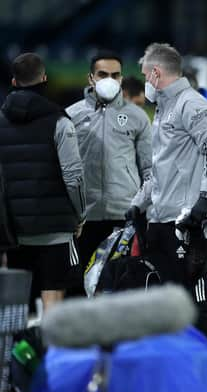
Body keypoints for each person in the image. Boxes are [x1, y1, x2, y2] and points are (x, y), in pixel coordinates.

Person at [130, 43, 207, 345]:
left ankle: (205, 374)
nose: (145, 81)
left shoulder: (192, 105)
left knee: (194, 299)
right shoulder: (165, 108)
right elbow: (163, 168)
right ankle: (178, 371)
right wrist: (139, 203)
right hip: (160, 219)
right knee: (167, 303)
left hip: (185, 221)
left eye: (146, 75)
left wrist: (204, 201)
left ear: (156, 73)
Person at [0, 53, 85, 311]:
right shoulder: (60, 123)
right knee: (53, 300)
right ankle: (51, 352)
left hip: (12, 231)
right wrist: (80, 215)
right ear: (45, 79)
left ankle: (14, 351)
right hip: (55, 231)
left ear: (14, 82)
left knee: (15, 302)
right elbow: (74, 178)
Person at [66, 51, 152, 272]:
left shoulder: (137, 116)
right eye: (103, 74)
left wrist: (143, 208)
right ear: (91, 78)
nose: (109, 80)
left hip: (124, 214)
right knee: (79, 285)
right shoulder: (71, 115)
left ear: (121, 79)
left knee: (119, 284)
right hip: (83, 218)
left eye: (115, 75)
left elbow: (149, 169)